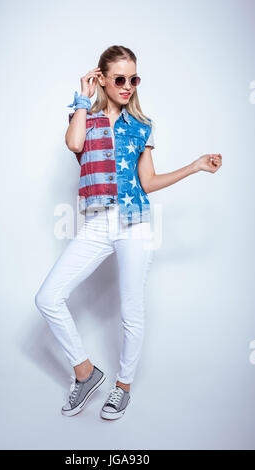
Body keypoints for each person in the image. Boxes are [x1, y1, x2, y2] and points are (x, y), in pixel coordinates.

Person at [35, 45, 222, 421]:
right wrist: (81, 99)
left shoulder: (142, 125)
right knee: (48, 298)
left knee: (131, 313)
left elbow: (148, 181)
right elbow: (73, 144)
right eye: (119, 79)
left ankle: (122, 387)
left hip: (134, 221)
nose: (127, 86)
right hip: (96, 222)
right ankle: (85, 373)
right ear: (101, 78)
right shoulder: (84, 117)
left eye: (133, 79)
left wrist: (194, 166)